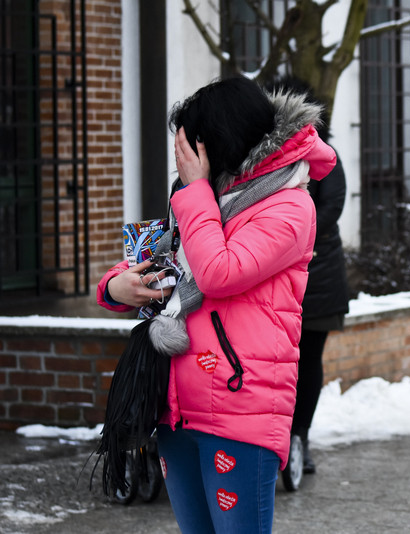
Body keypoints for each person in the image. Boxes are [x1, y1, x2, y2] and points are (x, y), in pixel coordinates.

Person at [96, 75, 336, 533]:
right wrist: (116, 286)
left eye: (191, 146)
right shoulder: (208, 198)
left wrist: (196, 192)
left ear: (219, 142)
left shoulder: (289, 205)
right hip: (176, 403)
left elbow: (218, 272)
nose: (183, 159)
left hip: (240, 405)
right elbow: (157, 261)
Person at [265, 78, 350, 483]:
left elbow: (330, 207)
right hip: (272, 278)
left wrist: (292, 241)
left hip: (318, 277)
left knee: (307, 360)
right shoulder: (261, 156)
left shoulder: (323, 157)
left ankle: (300, 436)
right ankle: (273, 436)